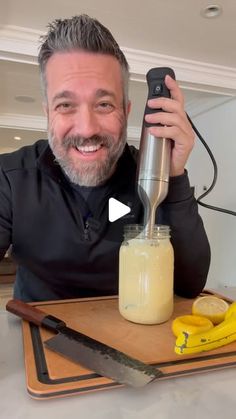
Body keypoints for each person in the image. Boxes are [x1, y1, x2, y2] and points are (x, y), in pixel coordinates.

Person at [0, 14, 210, 302]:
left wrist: (173, 176)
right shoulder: (9, 177)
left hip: (126, 332)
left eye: (104, 104)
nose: (87, 129)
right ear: (48, 113)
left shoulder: (149, 176)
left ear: (126, 110)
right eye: (65, 105)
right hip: (33, 330)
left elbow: (189, 285)